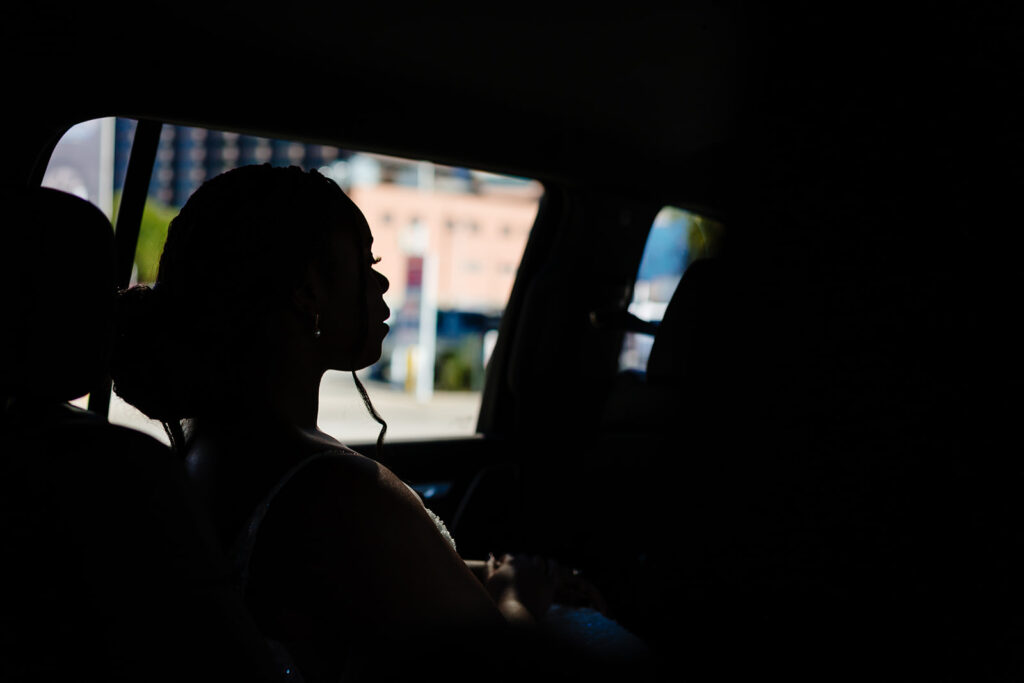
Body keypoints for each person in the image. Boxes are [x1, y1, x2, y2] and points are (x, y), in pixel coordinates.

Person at [109, 164, 630, 682]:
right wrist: (520, 597)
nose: (380, 279)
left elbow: (342, 581)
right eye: (365, 258)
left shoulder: (197, 451)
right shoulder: (343, 491)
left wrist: (476, 573)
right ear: (308, 291)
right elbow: (499, 669)